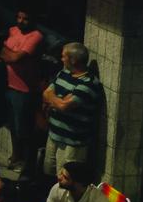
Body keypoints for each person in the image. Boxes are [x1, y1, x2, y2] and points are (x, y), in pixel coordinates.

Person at [41, 42, 102, 177]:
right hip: (54, 135)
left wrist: (56, 100)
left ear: (73, 60)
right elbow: (46, 93)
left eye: (64, 57)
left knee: (67, 179)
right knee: (48, 173)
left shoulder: (88, 84)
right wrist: (59, 99)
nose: (61, 59)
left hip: (73, 144)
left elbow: (63, 106)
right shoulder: (64, 72)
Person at [0, 7, 45, 172]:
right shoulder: (12, 30)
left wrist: (5, 51)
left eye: (25, 19)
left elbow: (15, 57)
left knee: (23, 128)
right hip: (7, 85)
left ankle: (26, 161)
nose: (20, 21)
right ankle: (16, 155)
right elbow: (3, 53)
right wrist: (7, 53)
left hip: (24, 89)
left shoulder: (36, 37)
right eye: (18, 17)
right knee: (12, 125)